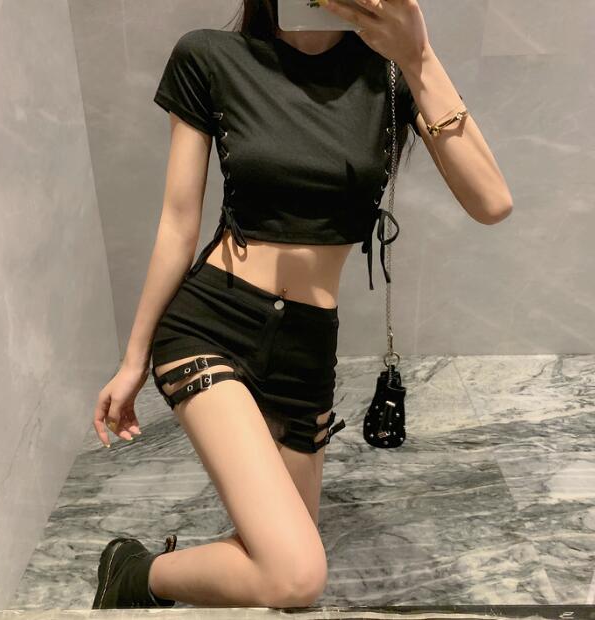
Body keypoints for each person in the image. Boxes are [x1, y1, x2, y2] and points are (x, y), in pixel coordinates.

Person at [91, 0, 512, 610]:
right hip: (212, 323)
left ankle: (141, 571)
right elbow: (178, 224)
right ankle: (135, 573)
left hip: (307, 347)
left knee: (282, 574)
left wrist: (418, 55)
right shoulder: (210, 56)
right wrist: (133, 358)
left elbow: (492, 202)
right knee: (297, 576)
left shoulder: (391, 75)